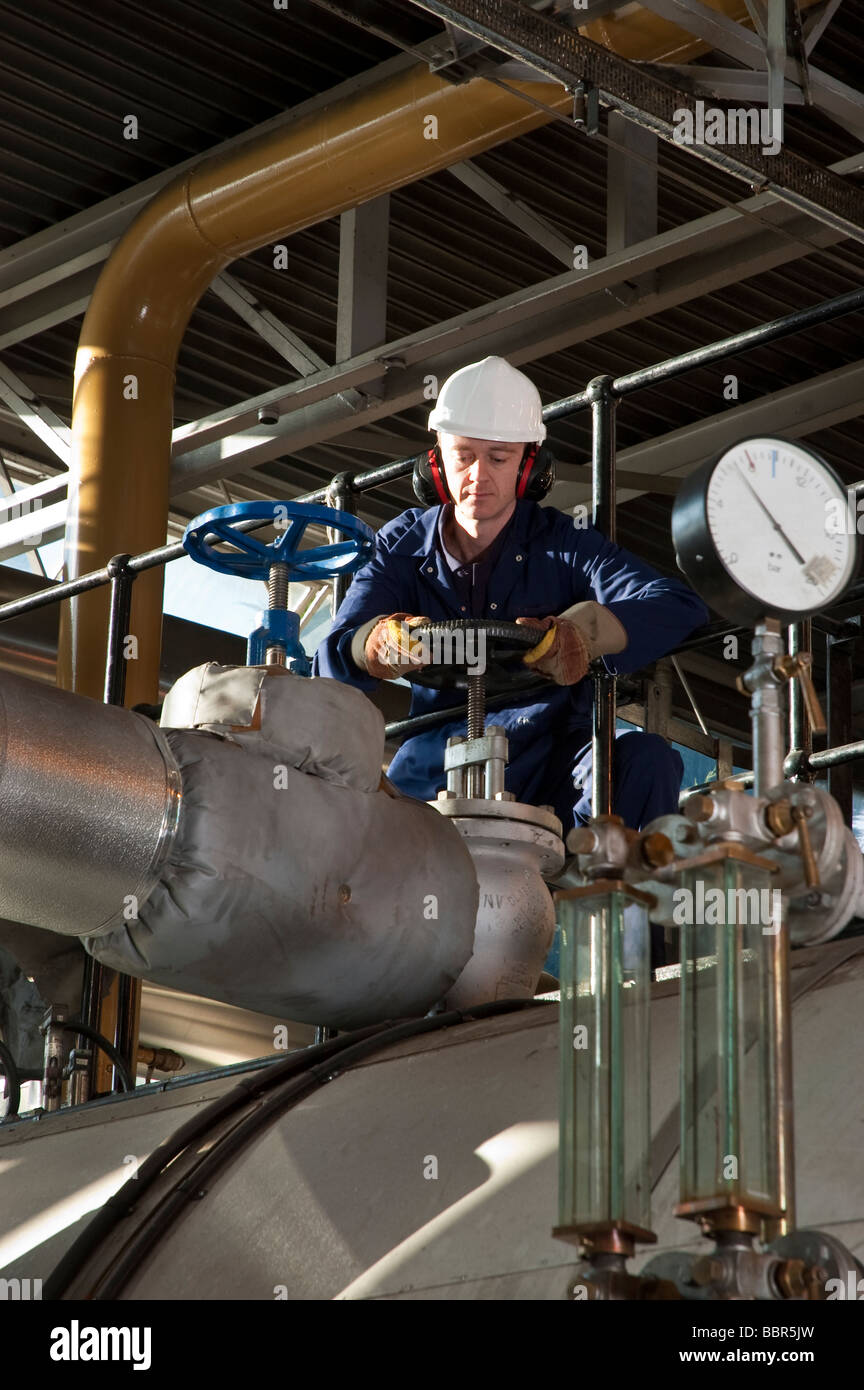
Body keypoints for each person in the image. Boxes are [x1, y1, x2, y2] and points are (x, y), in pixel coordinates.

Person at [313, 356, 710, 834]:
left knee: (647, 759)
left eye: (498, 458)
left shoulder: (564, 545)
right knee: (350, 821)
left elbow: (675, 604)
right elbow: (333, 656)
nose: (478, 475)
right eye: (463, 455)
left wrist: (583, 633)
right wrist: (375, 643)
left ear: (530, 466)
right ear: (435, 460)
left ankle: (610, 896)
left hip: (553, 761)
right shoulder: (401, 547)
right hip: (432, 759)